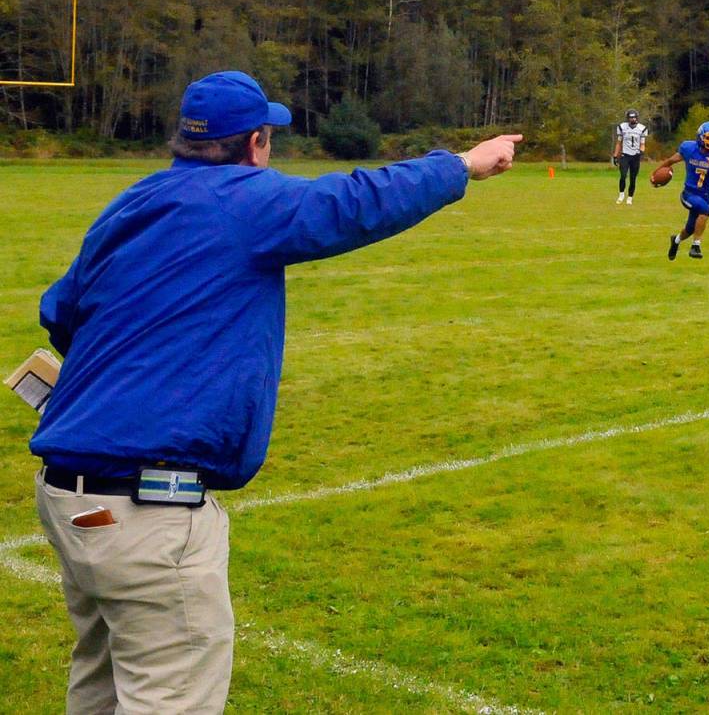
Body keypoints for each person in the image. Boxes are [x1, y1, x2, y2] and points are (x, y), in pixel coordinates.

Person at [29, 70, 521, 714]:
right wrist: (464, 165)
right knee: (168, 696)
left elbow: (59, 311)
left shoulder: (132, 202)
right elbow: (355, 202)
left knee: (100, 684)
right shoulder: (243, 201)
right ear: (256, 141)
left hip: (69, 497)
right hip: (147, 512)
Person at [652, 120, 709, 260]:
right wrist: (656, 172)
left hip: (705, 196)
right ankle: (696, 246)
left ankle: (675, 241)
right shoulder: (689, 149)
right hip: (688, 194)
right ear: (701, 138)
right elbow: (671, 161)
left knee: (690, 229)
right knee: (705, 210)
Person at [613, 108, 648, 205]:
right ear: (627, 118)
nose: (632, 119)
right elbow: (619, 143)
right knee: (623, 176)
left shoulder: (642, 128)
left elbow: (642, 144)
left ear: (637, 118)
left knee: (633, 178)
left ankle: (630, 197)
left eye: (634, 117)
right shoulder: (622, 127)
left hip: (635, 156)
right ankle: (621, 195)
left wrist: (641, 151)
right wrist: (615, 155)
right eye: (630, 118)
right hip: (625, 155)